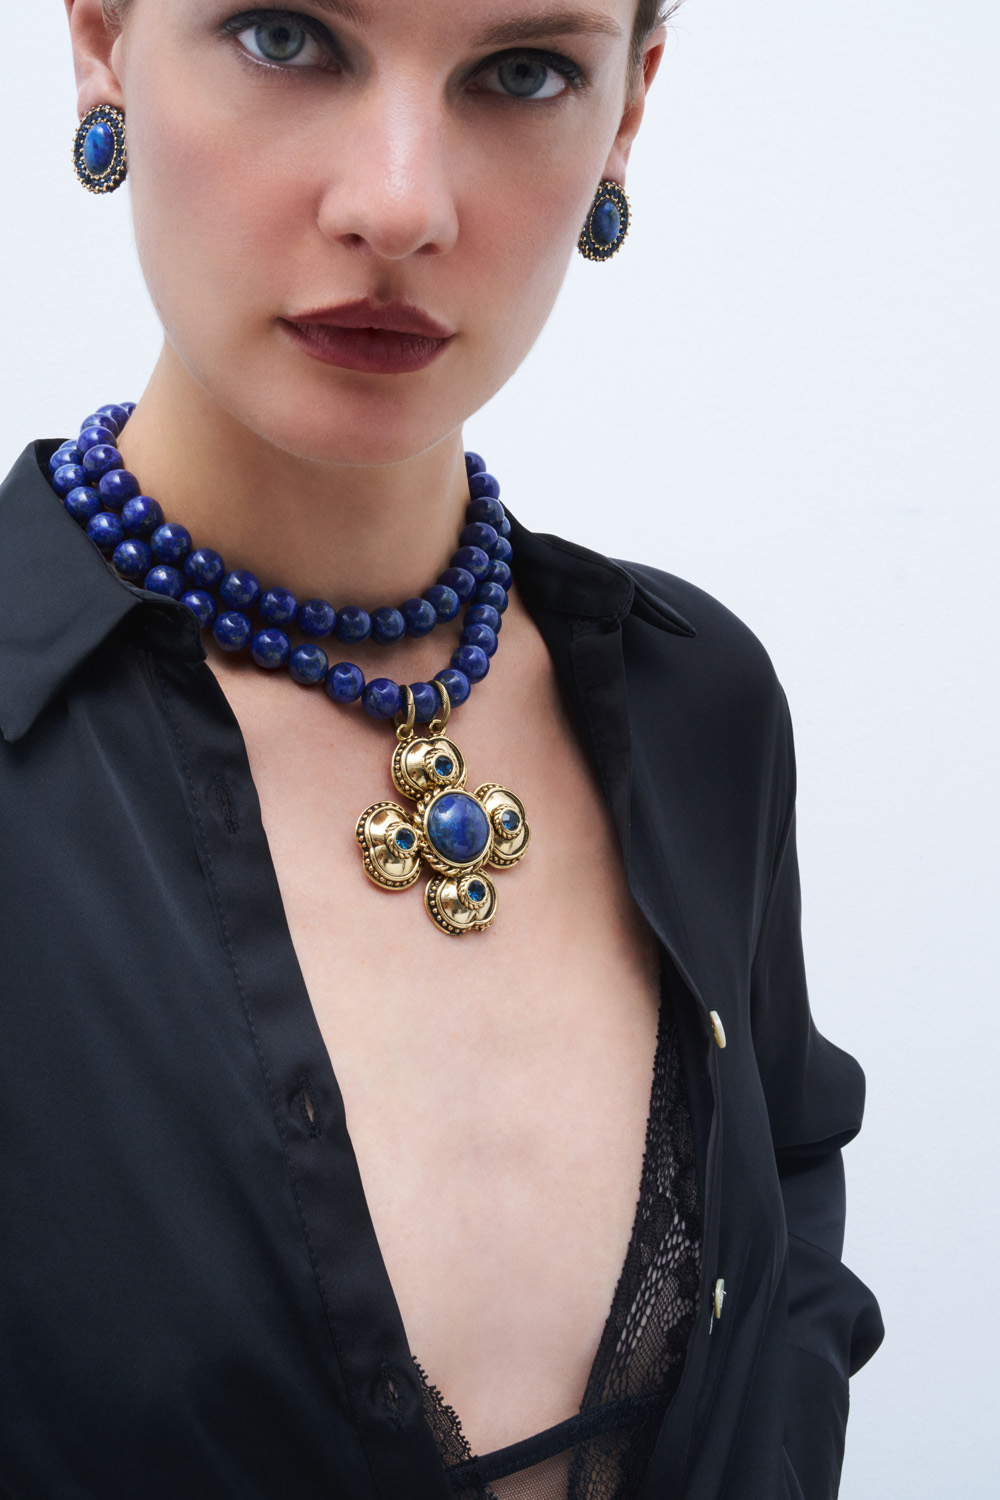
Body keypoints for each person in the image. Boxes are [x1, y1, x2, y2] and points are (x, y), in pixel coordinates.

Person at [0, 1, 883, 1496]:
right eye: (287, 37)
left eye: (521, 73)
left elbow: (791, 1198)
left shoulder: (699, 701)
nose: (401, 205)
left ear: (625, 113)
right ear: (102, 39)